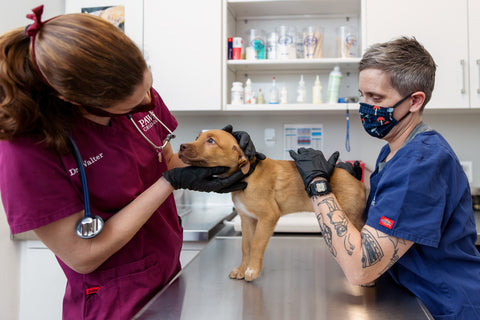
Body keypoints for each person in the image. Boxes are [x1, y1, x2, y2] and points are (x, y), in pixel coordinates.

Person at [0, 6, 258, 320]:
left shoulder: (136, 93)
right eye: (134, 104)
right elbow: (83, 256)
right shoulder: (26, 150)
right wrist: (169, 182)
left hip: (166, 277)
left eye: (148, 87)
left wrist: (216, 159)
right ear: (74, 100)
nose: (149, 102)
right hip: (112, 300)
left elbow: (167, 164)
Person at [290, 37, 480, 319]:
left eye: (376, 98)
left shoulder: (421, 162)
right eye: (362, 95)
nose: (365, 107)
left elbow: (360, 268)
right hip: (411, 296)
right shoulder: (391, 152)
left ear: (414, 101)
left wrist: (318, 187)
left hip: (445, 307)